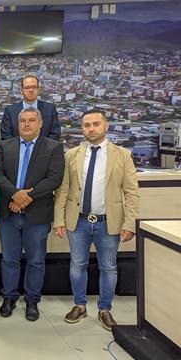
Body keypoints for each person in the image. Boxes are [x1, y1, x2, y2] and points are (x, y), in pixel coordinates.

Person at [53, 110, 139, 331]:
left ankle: (104, 309)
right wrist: (59, 220)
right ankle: (79, 306)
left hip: (108, 222)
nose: (91, 129)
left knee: (108, 267)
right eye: (86, 125)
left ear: (106, 126)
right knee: (77, 265)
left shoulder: (122, 155)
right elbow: (63, 190)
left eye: (95, 124)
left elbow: (131, 192)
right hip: (78, 221)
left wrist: (129, 223)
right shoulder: (72, 154)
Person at [0, 107, 64, 322]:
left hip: (37, 215)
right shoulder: (6, 146)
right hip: (9, 213)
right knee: (9, 259)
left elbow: (54, 179)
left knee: (35, 261)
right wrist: (14, 194)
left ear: (40, 123)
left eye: (31, 120)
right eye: (23, 120)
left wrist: (24, 197)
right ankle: (9, 297)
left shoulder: (53, 147)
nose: (26, 124)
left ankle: (32, 300)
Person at [1, 75, 61, 141]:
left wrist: (41, 149)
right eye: (27, 87)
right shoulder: (10, 111)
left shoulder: (50, 109)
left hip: (45, 150)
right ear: (21, 91)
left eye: (33, 87)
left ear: (38, 90)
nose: (30, 90)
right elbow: (6, 135)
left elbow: (55, 133)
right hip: (17, 150)